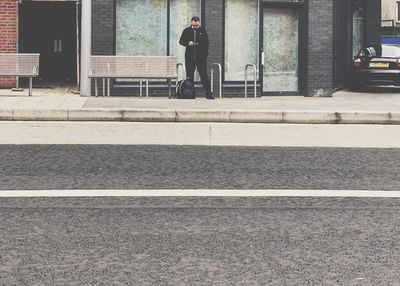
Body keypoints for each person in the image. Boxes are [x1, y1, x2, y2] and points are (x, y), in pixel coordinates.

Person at [179, 16, 214, 99]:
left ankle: (208, 94)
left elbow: (206, 43)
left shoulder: (202, 31)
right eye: (194, 26)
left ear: (199, 23)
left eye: (197, 26)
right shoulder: (186, 31)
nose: (195, 27)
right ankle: (190, 94)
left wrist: (205, 54)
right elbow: (181, 41)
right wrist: (188, 43)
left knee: (204, 75)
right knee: (190, 76)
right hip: (190, 57)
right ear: (191, 23)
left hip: (201, 58)